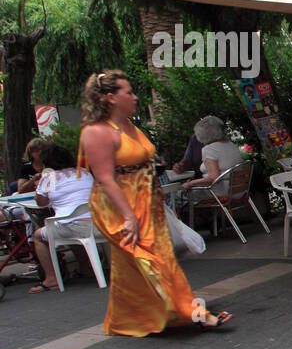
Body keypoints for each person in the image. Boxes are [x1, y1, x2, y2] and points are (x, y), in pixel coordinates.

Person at [78, 70, 231, 333]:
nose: (135, 97)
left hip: (147, 202)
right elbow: (104, 179)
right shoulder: (97, 132)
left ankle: (127, 319)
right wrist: (128, 217)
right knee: (153, 261)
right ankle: (195, 314)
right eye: (129, 92)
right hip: (118, 206)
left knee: (136, 265)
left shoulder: (129, 126)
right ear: (111, 98)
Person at [26, 144, 95, 294]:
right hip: (97, 225)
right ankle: (85, 268)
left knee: (38, 235)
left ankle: (51, 279)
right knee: (68, 225)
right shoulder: (84, 173)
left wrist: (40, 187)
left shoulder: (49, 178)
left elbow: (41, 203)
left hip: (73, 226)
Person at [184, 117, 243, 196]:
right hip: (239, 190)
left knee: (179, 196)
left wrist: (190, 184)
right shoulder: (231, 145)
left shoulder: (209, 149)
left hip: (220, 193)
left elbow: (213, 178)